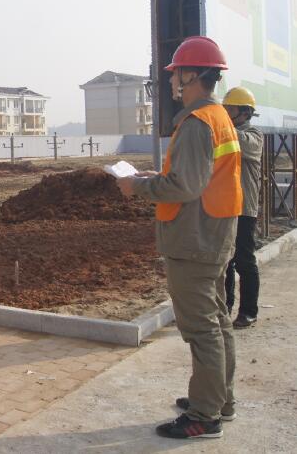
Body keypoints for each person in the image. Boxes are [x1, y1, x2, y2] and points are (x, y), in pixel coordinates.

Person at [117, 36, 240, 439]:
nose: (171, 80)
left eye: (175, 73)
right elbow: (199, 179)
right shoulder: (218, 117)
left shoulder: (196, 123)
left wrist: (138, 186)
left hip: (194, 239)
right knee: (217, 320)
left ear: (192, 75)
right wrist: (159, 177)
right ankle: (219, 399)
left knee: (202, 328)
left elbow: (185, 186)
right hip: (213, 233)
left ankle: (205, 415)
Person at [222, 86, 263, 329]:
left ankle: (248, 311)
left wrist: (219, 123)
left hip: (244, 210)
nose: (226, 113)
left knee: (245, 261)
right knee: (225, 262)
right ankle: (224, 308)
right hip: (225, 208)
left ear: (245, 112)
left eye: (230, 109)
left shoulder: (253, 135)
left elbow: (243, 143)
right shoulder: (227, 133)